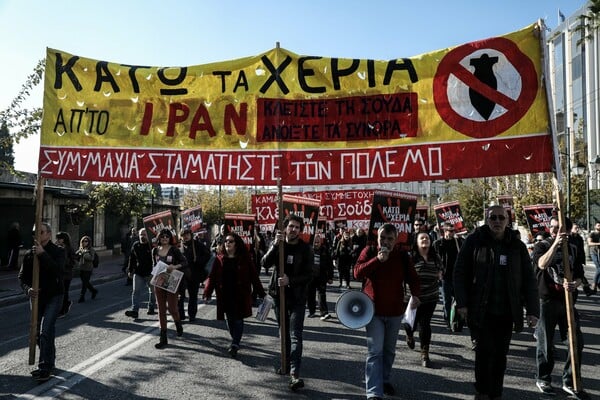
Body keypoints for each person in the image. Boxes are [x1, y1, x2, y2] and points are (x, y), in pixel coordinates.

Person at [454, 205, 539, 400]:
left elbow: (528, 278)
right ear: (487, 220)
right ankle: (482, 392)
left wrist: (533, 310)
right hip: (480, 309)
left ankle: (496, 393)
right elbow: (460, 273)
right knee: (484, 353)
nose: (497, 221)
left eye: (501, 218)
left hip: (506, 311)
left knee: (500, 355)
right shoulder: (474, 241)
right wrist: (462, 303)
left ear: (508, 220)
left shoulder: (516, 246)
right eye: (493, 218)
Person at [354, 223, 421, 400]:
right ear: (377, 237)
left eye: (390, 239)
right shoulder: (369, 251)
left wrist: (415, 295)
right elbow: (357, 273)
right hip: (373, 311)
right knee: (375, 351)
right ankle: (374, 391)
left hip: (395, 311)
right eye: (382, 238)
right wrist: (377, 260)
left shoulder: (402, 255)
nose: (385, 241)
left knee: (389, 350)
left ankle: (384, 379)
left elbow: (413, 277)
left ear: (396, 240)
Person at [532, 216, 589, 399]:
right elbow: (541, 264)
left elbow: (579, 273)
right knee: (546, 343)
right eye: (553, 228)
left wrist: (575, 283)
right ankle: (544, 378)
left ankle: (571, 380)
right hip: (546, 300)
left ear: (568, 230)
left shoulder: (573, 246)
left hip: (567, 300)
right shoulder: (542, 244)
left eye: (559, 229)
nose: (555, 231)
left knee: (576, 342)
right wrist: (556, 243)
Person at [261, 214, 313, 391]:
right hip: (278, 296)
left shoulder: (305, 249)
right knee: (283, 333)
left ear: (301, 230)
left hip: (297, 297)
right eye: (291, 226)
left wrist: (290, 280)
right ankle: (284, 362)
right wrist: (275, 245)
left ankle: (294, 373)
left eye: (297, 227)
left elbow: (309, 274)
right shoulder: (278, 245)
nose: (294, 230)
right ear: (285, 228)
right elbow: (265, 263)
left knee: (295, 334)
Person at [203, 232, 266, 357]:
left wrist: (262, 294)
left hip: (240, 294)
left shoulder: (245, 258)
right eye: (226, 241)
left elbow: (254, 276)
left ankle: (235, 343)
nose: (227, 243)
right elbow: (212, 277)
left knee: (238, 319)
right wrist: (207, 292)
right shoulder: (219, 259)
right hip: (225, 295)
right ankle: (235, 339)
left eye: (231, 241)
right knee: (229, 320)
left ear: (236, 244)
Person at [18, 222, 65, 382]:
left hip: (54, 296)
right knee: (37, 334)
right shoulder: (29, 254)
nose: (37, 235)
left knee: (46, 330)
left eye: (41, 232)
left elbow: (59, 271)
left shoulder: (58, 251)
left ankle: (44, 368)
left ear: (49, 234)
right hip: (37, 298)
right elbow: (22, 277)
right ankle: (49, 362)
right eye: (34, 233)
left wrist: (43, 254)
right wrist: (28, 289)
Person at [405, 231, 443, 368]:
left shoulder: (435, 256)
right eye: (422, 238)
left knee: (425, 324)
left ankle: (424, 353)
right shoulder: (411, 257)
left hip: (431, 297)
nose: (425, 240)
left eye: (427, 238)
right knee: (410, 324)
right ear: (416, 242)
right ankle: (409, 335)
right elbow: (405, 277)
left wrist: (440, 274)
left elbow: (440, 271)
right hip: (412, 298)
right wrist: (413, 296)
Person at [152, 228, 187, 349]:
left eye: (167, 236)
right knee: (161, 310)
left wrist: (175, 266)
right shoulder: (155, 250)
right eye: (162, 236)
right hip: (159, 281)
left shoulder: (174, 250)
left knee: (172, 308)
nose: (165, 238)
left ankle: (178, 323)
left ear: (170, 238)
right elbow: (154, 265)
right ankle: (163, 337)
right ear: (159, 238)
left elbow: (184, 262)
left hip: (172, 280)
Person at [433, 222, 464, 330]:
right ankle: (447, 321)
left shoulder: (458, 242)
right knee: (446, 300)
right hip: (445, 276)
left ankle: (457, 319)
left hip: (457, 276)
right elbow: (434, 259)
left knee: (459, 299)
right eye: (450, 231)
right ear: (444, 231)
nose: (452, 233)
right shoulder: (438, 243)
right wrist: (438, 271)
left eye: (453, 231)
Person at [179, 228, 211, 322]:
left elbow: (207, 255)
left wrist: (198, 260)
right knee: (180, 296)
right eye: (183, 235)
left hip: (194, 274)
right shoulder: (178, 246)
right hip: (181, 275)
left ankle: (192, 315)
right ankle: (181, 315)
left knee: (193, 296)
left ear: (191, 235)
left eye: (187, 234)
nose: (186, 236)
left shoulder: (197, 244)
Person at [125, 228, 156, 319]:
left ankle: (151, 307)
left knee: (153, 291)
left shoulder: (152, 246)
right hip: (138, 273)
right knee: (136, 292)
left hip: (151, 273)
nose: (143, 236)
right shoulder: (135, 245)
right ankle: (135, 310)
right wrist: (130, 270)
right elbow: (132, 258)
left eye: (145, 234)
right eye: (141, 234)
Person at [306, 234, 334, 320]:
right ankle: (312, 311)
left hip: (321, 276)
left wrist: (330, 277)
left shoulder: (325, 250)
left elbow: (330, 264)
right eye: (315, 241)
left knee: (322, 294)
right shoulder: (308, 250)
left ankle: (324, 313)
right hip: (310, 277)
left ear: (321, 242)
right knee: (310, 295)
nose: (316, 243)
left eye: (318, 241)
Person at [55, 231, 76, 318]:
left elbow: (72, 262)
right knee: (58, 292)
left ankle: (63, 309)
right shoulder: (57, 247)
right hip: (58, 273)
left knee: (64, 292)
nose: (57, 240)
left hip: (67, 274)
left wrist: (63, 259)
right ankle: (63, 305)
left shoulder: (69, 249)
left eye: (59, 238)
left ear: (63, 239)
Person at [75, 236, 98, 303]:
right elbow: (76, 255)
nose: (84, 242)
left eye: (86, 241)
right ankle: (93, 291)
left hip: (88, 269)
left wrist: (85, 253)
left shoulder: (91, 250)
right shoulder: (81, 249)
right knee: (85, 282)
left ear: (89, 242)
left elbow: (92, 258)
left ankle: (82, 297)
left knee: (85, 283)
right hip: (81, 268)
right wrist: (78, 255)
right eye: (83, 241)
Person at [586, 222, 600, 293]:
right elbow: (589, 243)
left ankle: (597, 283)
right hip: (593, 253)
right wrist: (598, 244)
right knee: (599, 268)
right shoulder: (592, 234)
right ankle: (594, 284)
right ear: (595, 226)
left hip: (599, 253)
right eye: (598, 225)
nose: (599, 226)